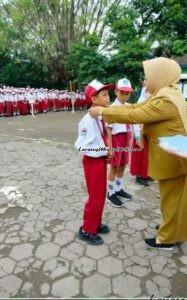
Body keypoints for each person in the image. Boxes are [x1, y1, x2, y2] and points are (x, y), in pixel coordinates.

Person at [89, 57, 187, 250]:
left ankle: (167, 239)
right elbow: (137, 107)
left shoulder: (165, 99)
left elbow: (135, 115)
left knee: (171, 200)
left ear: (161, 75)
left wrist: (102, 112)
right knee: (173, 199)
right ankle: (172, 229)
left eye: (150, 75)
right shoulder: (167, 93)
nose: (148, 80)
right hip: (176, 157)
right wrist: (112, 109)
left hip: (173, 160)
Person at [75, 79, 113, 245]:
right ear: (94, 99)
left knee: (101, 194)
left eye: (108, 94)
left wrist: (106, 151)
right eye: (104, 95)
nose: (108, 97)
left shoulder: (99, 116)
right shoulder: (87, 120)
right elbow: (82, 146)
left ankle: (95, 223)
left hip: (100, 160)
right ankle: (87, 229)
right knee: (95, 196)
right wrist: (104, 151)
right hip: (92, 162)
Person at [106, 78, 134, 208]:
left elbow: (131, 125)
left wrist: (130, 142)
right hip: (116, 139)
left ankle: (118, 189)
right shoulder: (112, 108)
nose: (125, 95)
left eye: (127, 93)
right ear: (116, 91)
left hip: (126, 138)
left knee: (123, 165)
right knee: (114, 167)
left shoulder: (128, 107)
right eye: (122, 92)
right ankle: (110, 193)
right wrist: (110, 147)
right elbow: (109, 129)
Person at [130, 80, 151, 186]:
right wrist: (138, 137)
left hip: (147, 133)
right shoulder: (141, 102)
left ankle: (145, 174)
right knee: (140, 156)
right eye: (147, 86)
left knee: (147, 156)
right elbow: (135, 120)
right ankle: (139, 176)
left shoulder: (149, 100)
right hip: (140, 134)